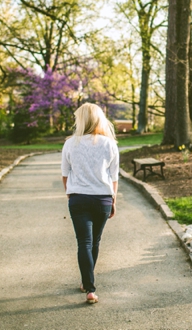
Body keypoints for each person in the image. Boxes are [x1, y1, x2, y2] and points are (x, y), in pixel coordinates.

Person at [61, 103, 119, 304]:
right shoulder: (109, 144)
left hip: (79, 198)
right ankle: (88, 283)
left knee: (84, 242)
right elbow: (114, 177)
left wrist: (70, 195)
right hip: (102, 198)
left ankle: (89, 287)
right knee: (94, 242)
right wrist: (113, 201)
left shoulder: (70, 144)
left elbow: (65, 174)